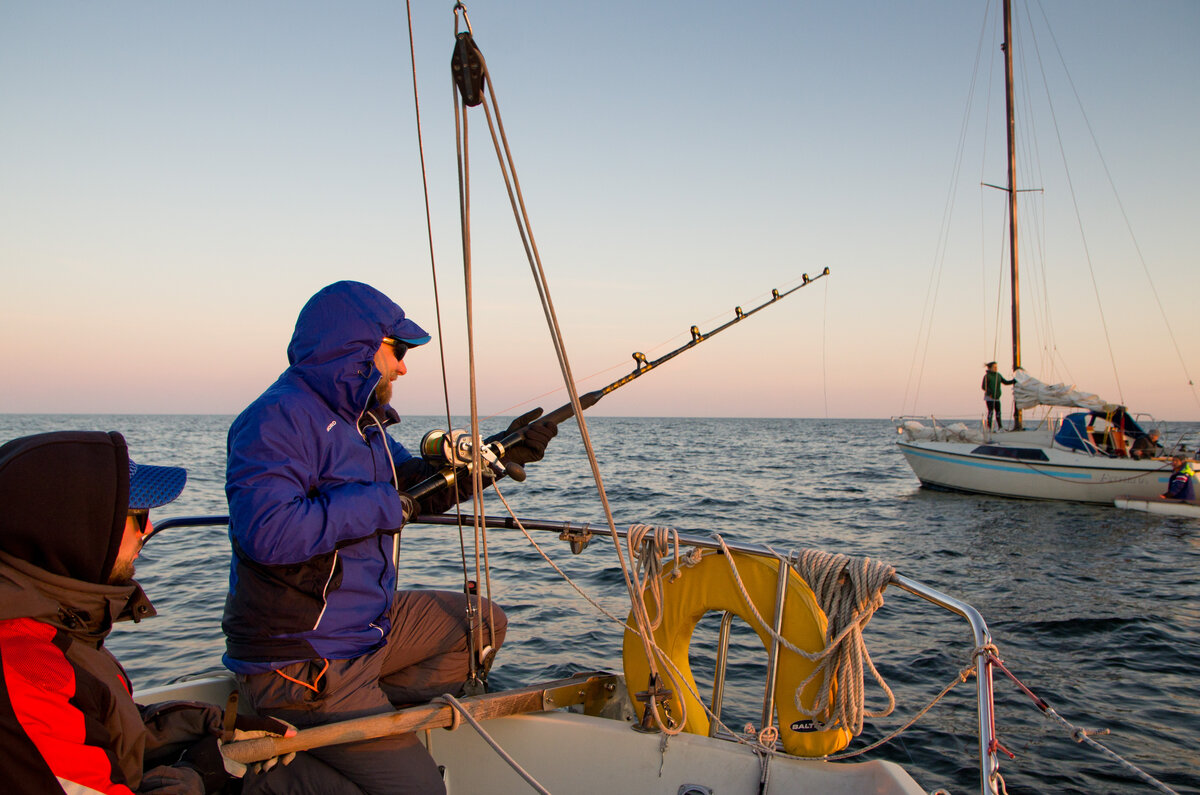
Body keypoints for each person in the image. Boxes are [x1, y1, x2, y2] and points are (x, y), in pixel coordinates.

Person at [222, 280, 557, 795]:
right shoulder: (277, 418)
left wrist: (491, 461)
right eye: (397, 350)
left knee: (481, 627)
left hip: (358, 631)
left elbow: (412, 484)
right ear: (354, 348)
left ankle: (349, 726)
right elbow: (269, 533)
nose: (403, 366)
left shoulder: (363, 423)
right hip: (302, 656)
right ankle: (276, 777)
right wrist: (382, 503)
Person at [0, 430, 294, 795]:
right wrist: (201, 774)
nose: (151, 528)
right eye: (137, 515)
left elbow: (111, 729)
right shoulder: (27, 670)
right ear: (76, 530)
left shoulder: (63, 623)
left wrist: (216, 726)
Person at [982, 362, 1015, 432]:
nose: (996, 368)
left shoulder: (998, 375)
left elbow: (1005, 382)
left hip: (997, 397)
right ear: (990, 368)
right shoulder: (987, 376)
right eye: (994, 367)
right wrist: (990, 393)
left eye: (996, 367)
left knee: (998, 412)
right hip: (990, 398)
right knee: (990, 412)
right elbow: (983, 386)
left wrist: (1014, 381)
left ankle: (1000, 427)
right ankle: (989, 428)